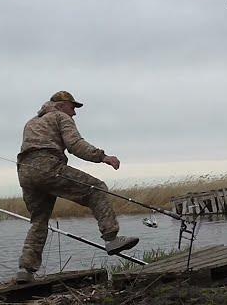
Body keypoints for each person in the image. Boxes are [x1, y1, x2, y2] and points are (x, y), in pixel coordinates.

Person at [15, 90, 139, 283]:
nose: (74, 112)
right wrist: (103, 157)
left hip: (25, 172)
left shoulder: (31, 122)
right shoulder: (60, 116)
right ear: (61, 105)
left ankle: (25, 269)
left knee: (39, 220)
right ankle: (111, 238)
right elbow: (75, 145)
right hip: (48, 166)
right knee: (97, 189)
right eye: (73, 107)